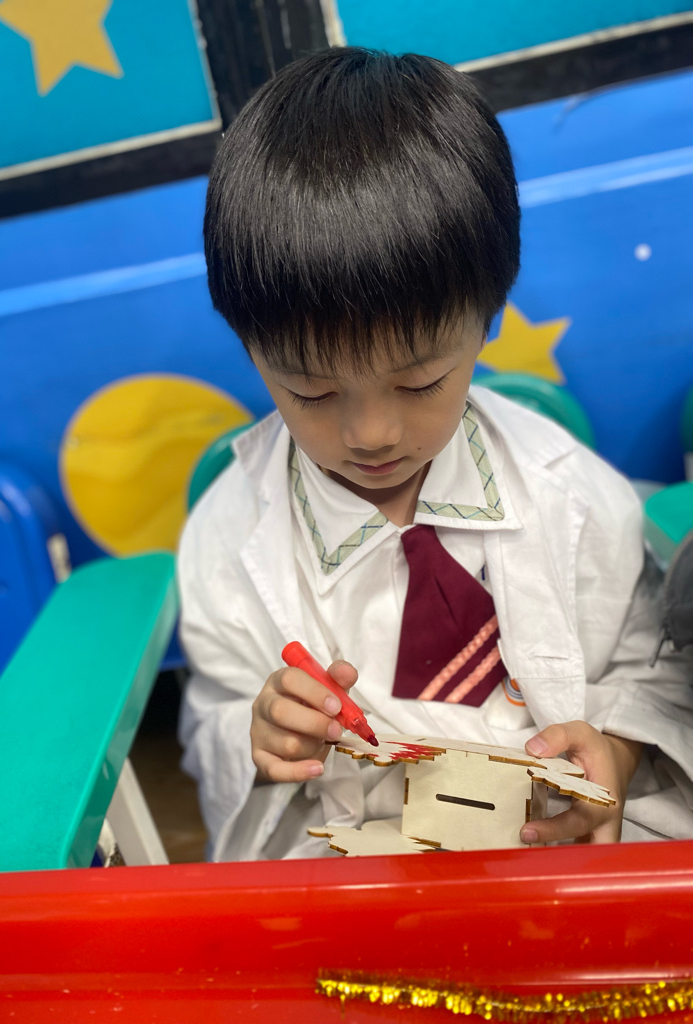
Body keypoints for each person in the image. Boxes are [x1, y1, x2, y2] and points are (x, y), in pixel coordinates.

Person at [178, 47, 693, 861]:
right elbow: (211, 719)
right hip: (357, 873)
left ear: (486, 321)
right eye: (312, 393)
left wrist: (620, 749)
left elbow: (647, 663)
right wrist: (258, 731)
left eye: (419, 383)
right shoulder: (227, 537)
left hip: (558, 856)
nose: (371, 433)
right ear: (251, 350)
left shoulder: (574, 493)